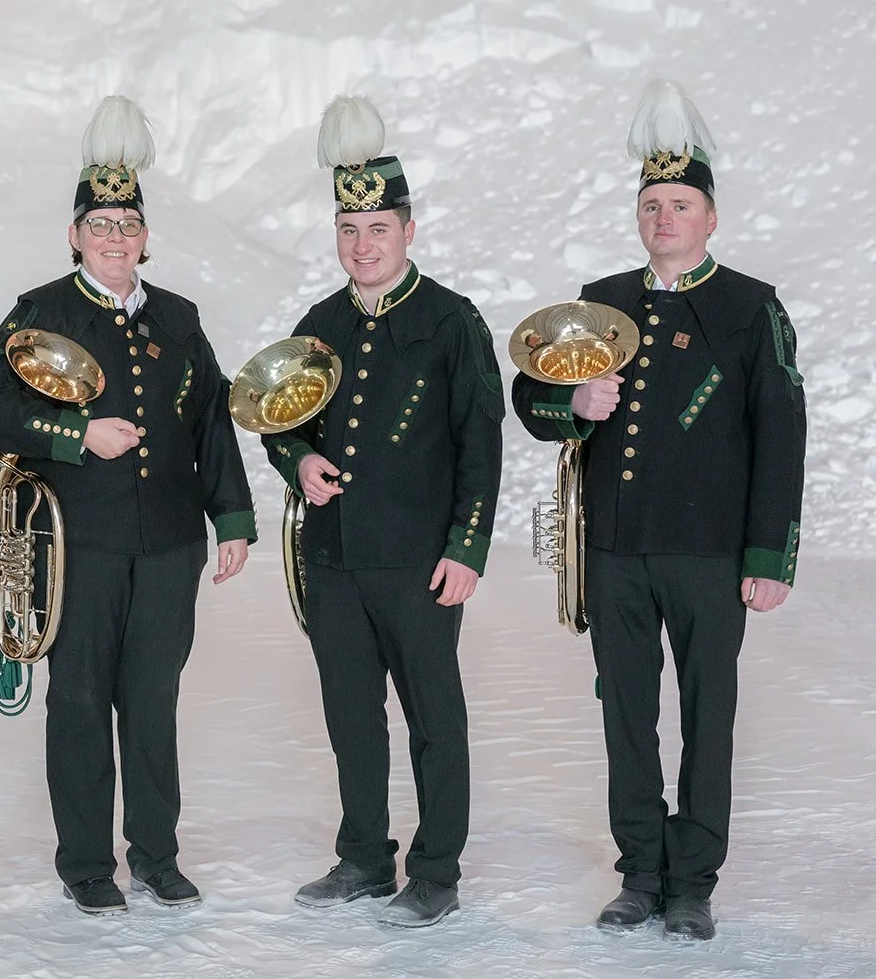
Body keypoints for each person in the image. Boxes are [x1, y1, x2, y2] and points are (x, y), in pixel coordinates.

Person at [511, 80, 807, 941]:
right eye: (651, 204)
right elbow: (528, 396)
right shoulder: (598, 301)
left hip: (710, 552)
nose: (664, 217)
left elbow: (781, 434)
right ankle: (641, 871)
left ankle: (694, 882)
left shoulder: (751, 307)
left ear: (710, 217)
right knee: (626, 714)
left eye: (680, 204)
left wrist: (768, 556)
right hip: (615, 550)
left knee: (708, 715)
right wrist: (574, 404)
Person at [0, 96, 256, 916]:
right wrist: (74, 434)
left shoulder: (179, 318)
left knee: (153, 701)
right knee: (81, 700)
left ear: (145, 234)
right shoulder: (41, 311)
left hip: (168, 543)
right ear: (75, 234)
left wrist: (231, 518)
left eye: (128, 224)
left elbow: (211, 419)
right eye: (100, 224)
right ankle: (88, 863)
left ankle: (157, 856)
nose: (115, 237)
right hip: (77, 545)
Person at [261, 96, 505, 928]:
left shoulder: (451, 321)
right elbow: (279, 419)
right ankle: (365, 856)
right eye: (348, 229)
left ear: (408, 229)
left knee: (435, 718)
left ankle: (436, 870)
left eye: (377, 229)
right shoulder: (319, 324)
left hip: (420, 560)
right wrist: (299, 460)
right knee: (352, 716)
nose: (362, 245)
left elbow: (480, 441)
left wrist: (467, 545)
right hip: (333, 559)